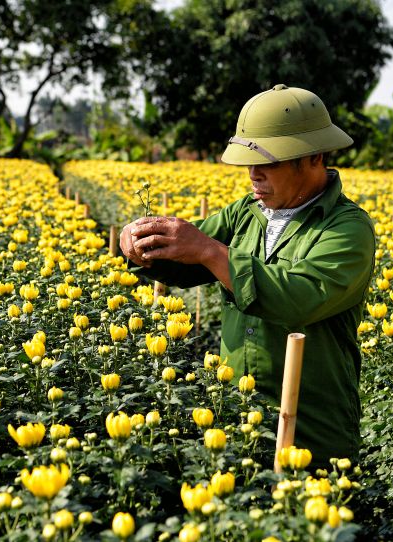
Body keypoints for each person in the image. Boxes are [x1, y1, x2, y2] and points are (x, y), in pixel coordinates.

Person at [120, 84, 376, 466]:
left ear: (314, 156)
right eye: (248, 163)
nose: (253, 175)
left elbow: (297, 299)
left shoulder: (348, 229)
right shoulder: (246, 212)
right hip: (237, 418)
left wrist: (210, 251)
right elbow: (185, 257)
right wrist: (140, 244)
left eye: (268, 162)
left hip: (311, 432)